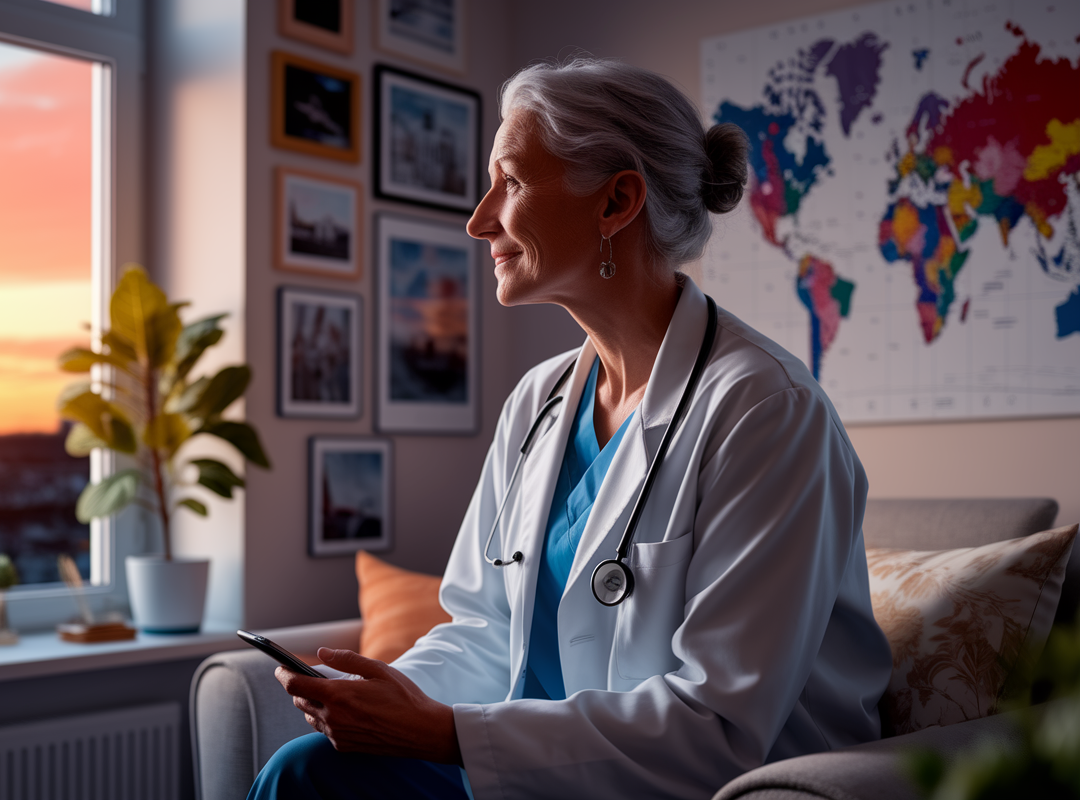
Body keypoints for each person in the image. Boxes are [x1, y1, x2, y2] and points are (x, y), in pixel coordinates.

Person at [249, 57, 893, 800]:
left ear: (617, 200)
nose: (479, 218)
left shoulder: (766, 411)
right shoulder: (540, 398)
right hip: (531, 766)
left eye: (512, 183)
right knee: (305, 772)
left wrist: (439, 732)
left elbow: (719, 726)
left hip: (681, 784)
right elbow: (486, 629)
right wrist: (384, 692)